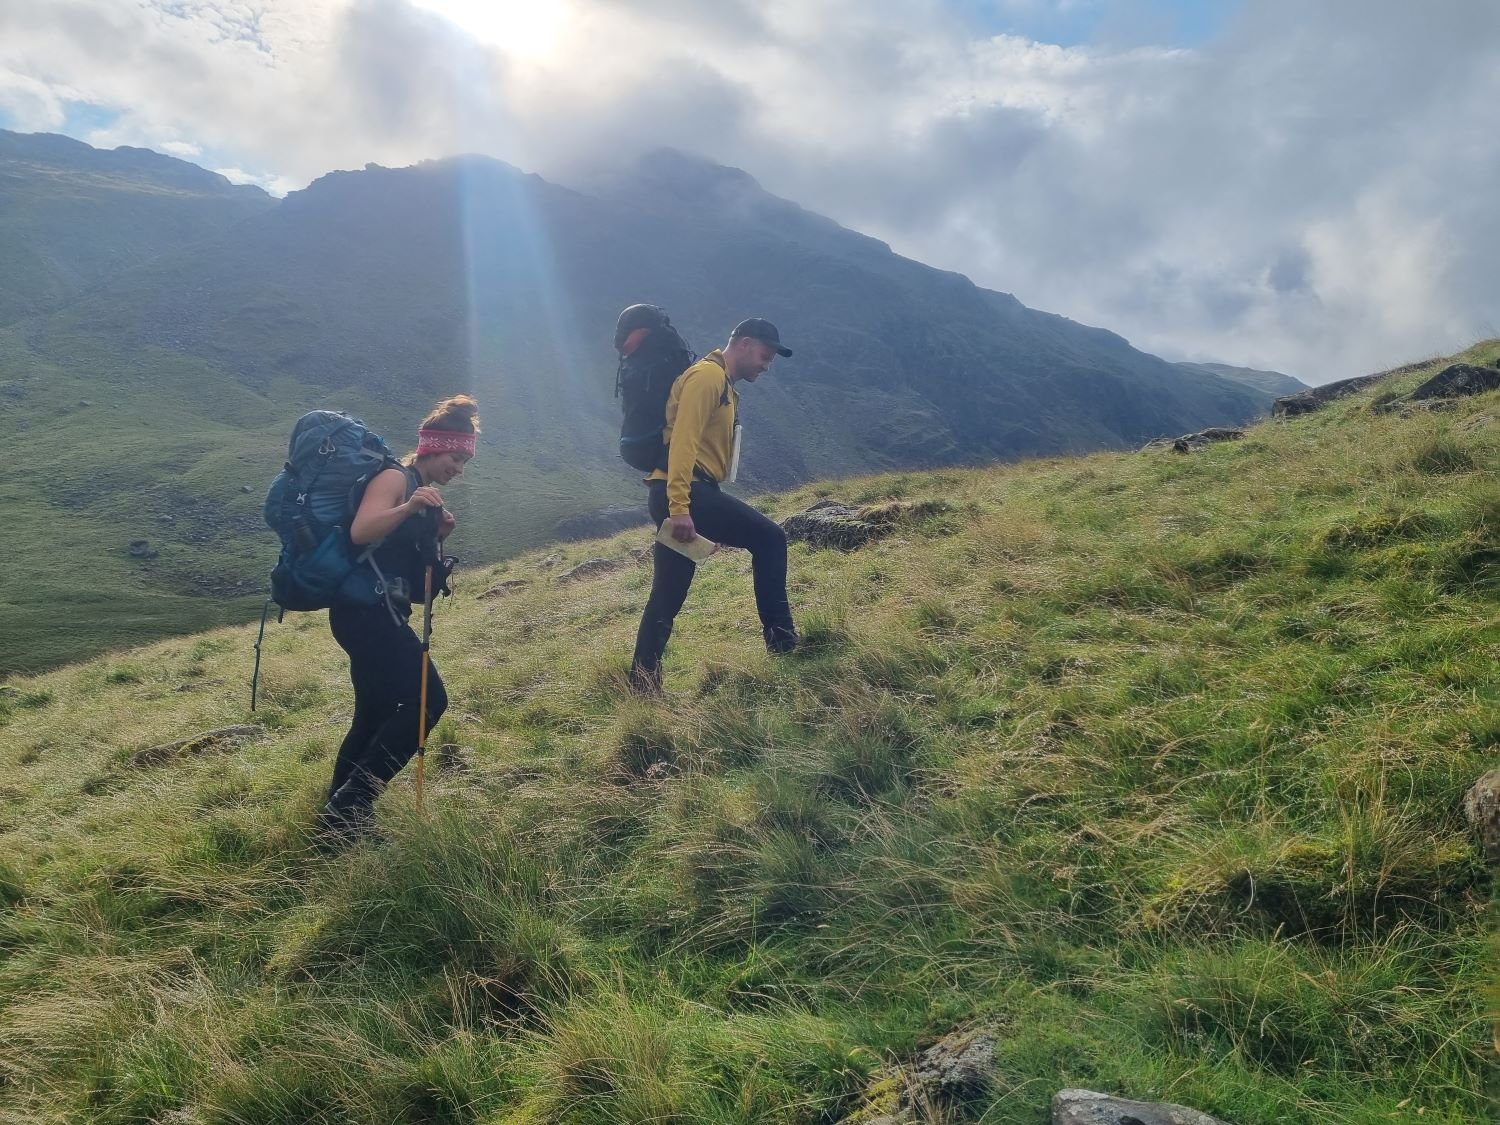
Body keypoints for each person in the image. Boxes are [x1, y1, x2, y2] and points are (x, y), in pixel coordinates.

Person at [316, 394, 479, 841]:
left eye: (464, 461)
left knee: (375, 711)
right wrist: (409, 509)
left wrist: (436, 535)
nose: (458, 468)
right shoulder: (393, 478)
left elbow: (411, 575)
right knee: (430, 701)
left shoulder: (422, 493)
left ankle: (337, 819)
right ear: (431, 446)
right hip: (365, 615)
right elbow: (361, 530)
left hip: (375, 613)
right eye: (455, 456)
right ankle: (350, 807)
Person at [631, 318, 798, 693]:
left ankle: (642, 686)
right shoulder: (707, 377)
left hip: (686, 491)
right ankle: (783, 644)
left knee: (668, 594)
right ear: (743, 343)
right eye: (764, 355)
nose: (766, 365)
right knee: (770, 539)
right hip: (688, 492)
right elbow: (683, 443)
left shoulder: (723, 384)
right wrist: (680, 507)